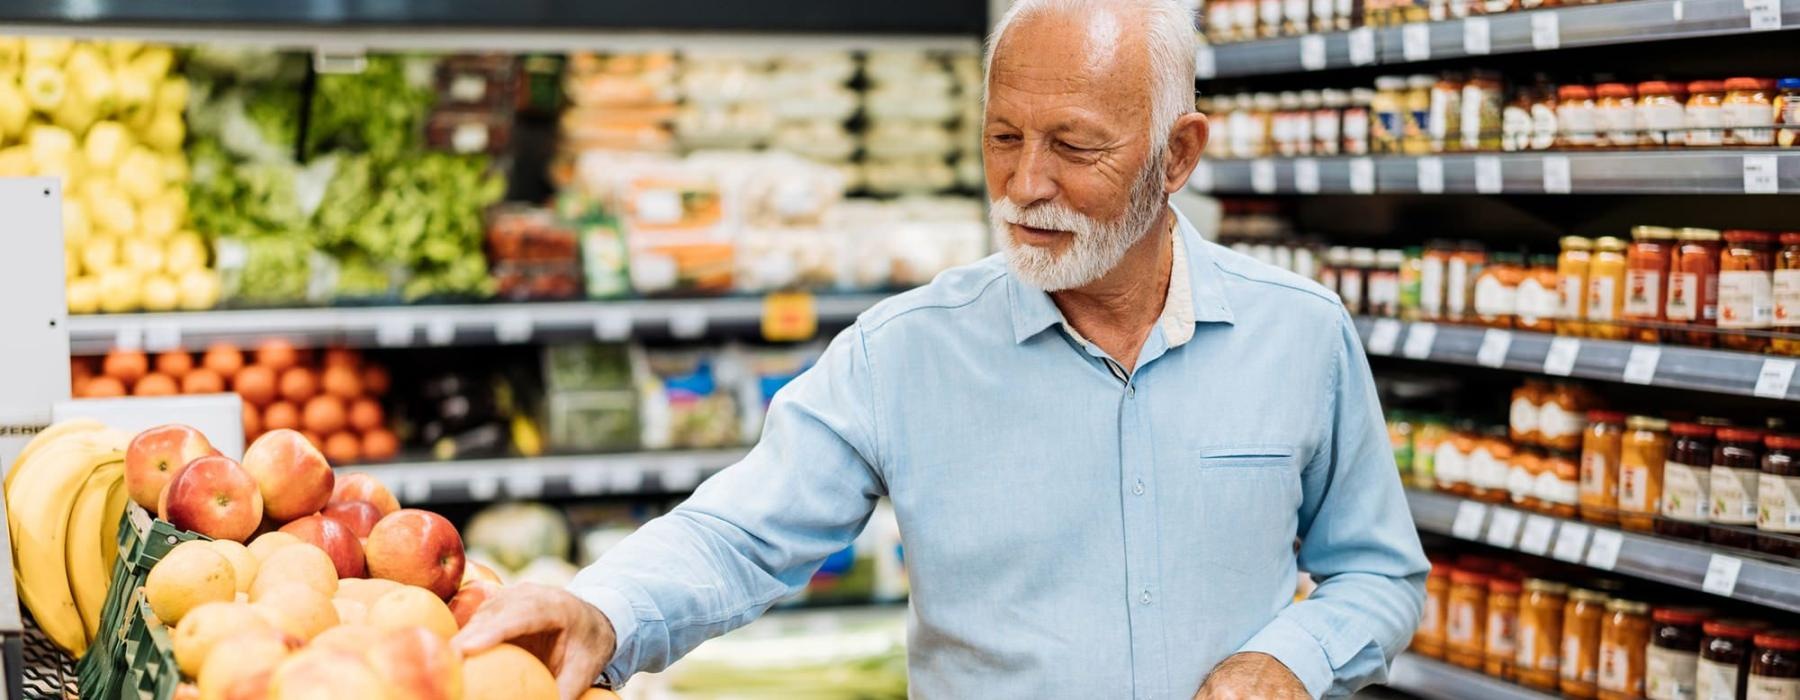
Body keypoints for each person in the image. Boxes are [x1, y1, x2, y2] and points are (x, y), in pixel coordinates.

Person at [454, 0, 1429, 696]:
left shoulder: (1298, 335)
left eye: (1074, 146)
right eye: (1003, 136)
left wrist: (1292, 659)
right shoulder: (905, 353)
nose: (1025, 182)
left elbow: (1379, 573)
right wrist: (604, 610)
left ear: (1177, 155)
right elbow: (742, 532)